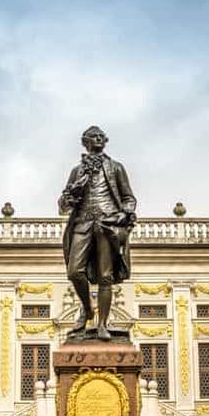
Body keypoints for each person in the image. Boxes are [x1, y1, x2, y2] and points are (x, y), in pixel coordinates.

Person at [59, 126, 137, 340]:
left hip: (107, 224)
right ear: (86, 142)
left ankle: (102, 324)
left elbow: (128, 197)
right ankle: (86, 308)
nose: (99, 139)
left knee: (105, 276)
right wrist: (71, 195)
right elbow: (63, 205)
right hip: (82, 223)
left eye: (102, 136)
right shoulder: (77, 171)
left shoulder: (116, 168)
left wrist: (126, 212)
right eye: (94, 137)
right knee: (74, 271)